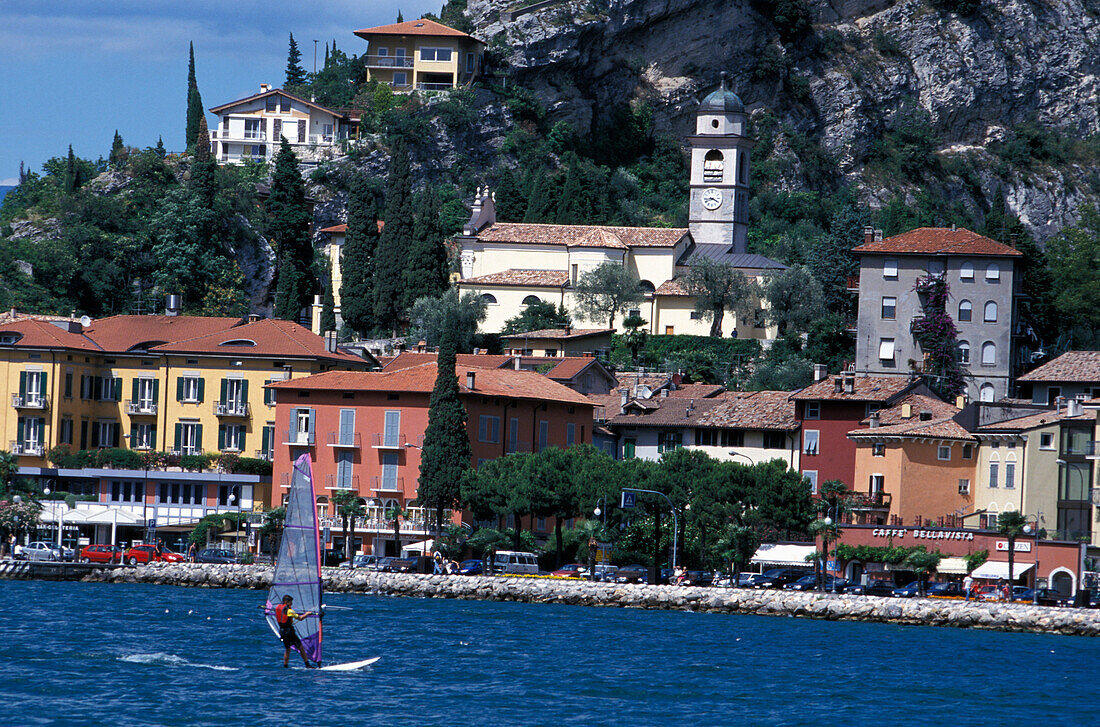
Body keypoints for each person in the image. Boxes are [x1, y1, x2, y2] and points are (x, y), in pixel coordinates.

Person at [273, 595, 316, 668]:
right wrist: (307, 614)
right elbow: (300, 618)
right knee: (300, 647)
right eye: (290, 602)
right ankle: (307, 665)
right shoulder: (290, 611)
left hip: (282, 631)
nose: (291, 604)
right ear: (286, 602)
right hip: (289, 632)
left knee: (287, 649)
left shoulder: (277, 608)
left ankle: (285, 666)